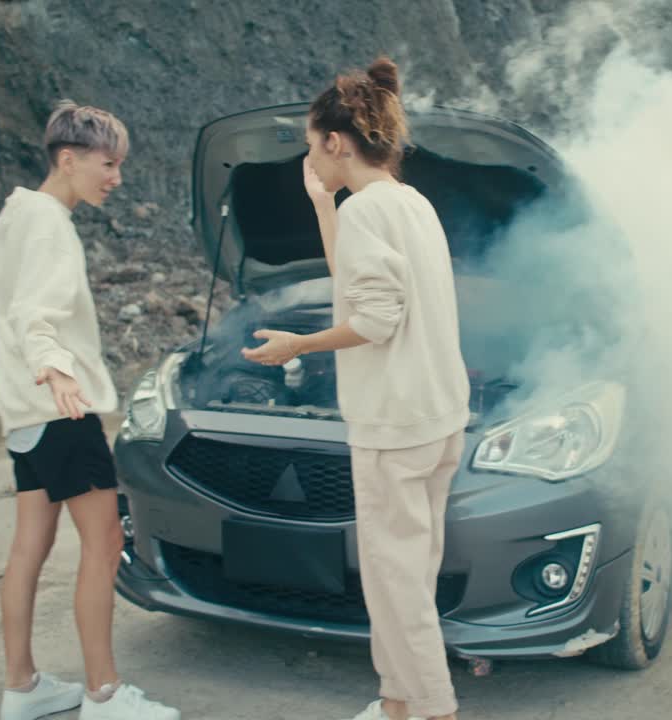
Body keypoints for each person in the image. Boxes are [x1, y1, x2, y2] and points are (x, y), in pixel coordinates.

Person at [241, 57, 468, 720]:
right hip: (438, 419)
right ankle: (396, 705)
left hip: (394, 429)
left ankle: (435, 711)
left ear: (336, 142)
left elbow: (369, 318)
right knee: (409, 579)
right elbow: (355, 282)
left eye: (313, 143)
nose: (312, 154)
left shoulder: (372, 212)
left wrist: (297, 346)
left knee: (397, 590)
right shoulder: (407, 203)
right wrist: (322, 206)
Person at [0, 100, 180, 720]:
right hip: (59, 408)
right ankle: (106, 695)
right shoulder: (50, 225)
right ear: (68, 159)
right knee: (106, 539)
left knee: (29, 543)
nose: (116, 178)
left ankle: (22, 687)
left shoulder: (17, 215)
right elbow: (35, 312)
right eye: (108, 164)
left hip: (23, 414)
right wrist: (57, 370)